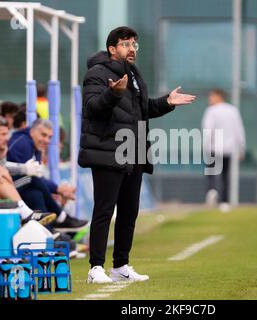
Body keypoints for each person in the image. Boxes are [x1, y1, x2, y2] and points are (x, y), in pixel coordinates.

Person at [79, 26, 196, 283]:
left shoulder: (133, 74)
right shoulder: (96, 74)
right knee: (104, 210)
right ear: (112, 49)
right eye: (125, 44)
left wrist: (166, 102)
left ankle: (120, 266)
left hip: (133, 152)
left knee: (129, 212)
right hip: (108, 152)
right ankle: (95, 268)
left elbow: (143, 110)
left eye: (134, 44)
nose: (131, 49)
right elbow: (93, 108)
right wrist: (113, 94)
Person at [7, 119, 89, 232]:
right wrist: (58, 189)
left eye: (49, 137)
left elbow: (36, 178)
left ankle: (49, 232)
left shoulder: (36, 145)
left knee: (35, 194)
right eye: (43, 135)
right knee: (31, 178)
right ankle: (61, 217)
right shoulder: (23, 143)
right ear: (32, 132)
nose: (47, 140)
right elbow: (31, 176)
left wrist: (58, 189)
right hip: (7, 187)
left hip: (21, 186)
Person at [201, 89, 245, 212]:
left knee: (211, 173)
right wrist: (241, 148)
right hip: (228, 149)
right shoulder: (233, 110)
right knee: (226, 176)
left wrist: (206, 146)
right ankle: (224, 202)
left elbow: (208, 130)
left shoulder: (211, 111)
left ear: (219, 97)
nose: (209, 99)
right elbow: (239, 130)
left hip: (214, 148)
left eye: (211, 96)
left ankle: (212, 191)